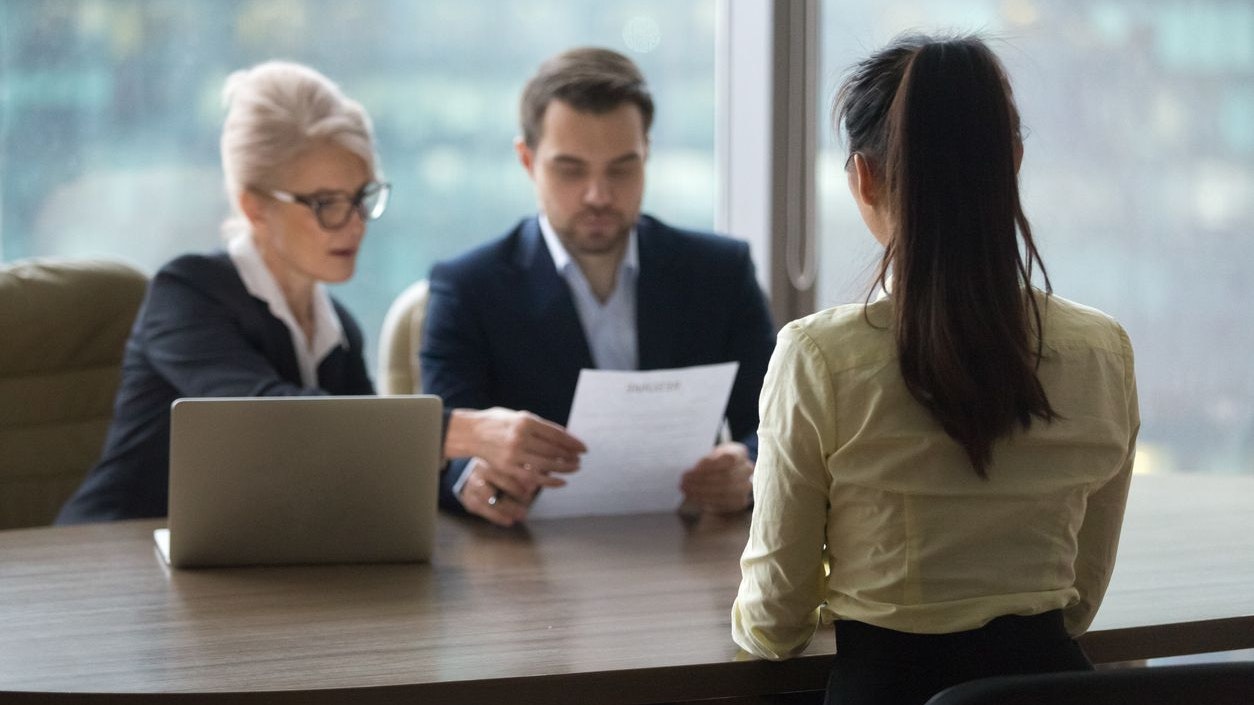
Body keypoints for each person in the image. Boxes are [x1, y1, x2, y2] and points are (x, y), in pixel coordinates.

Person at [731, 34, 1139, 705]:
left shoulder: (819, 357)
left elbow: (774, 624)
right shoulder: (1102, 351)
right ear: (1013, 162)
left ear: (863, 176)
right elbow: (1078, 599)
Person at [56, 61, 577, 524]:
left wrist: (469, 482)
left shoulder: (338, 329)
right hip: (112, 558)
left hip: (242, 574)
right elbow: (270, 415)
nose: (353, 225)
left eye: (361, 197)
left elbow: (376, 458)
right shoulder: (186, 294)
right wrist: (465, 431)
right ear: (254, 205)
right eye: (327, 203)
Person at [421, 47, 776, 527]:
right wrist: (473, 480)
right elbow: (437, 445)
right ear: (527, 161)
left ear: (646, 154)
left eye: (621, 168)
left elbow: (775, 425)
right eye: (570, 170)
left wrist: (748, 468)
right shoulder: (467, 287)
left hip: (690, 550)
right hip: (526, 564)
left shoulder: (720, 272)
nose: (598, 195)